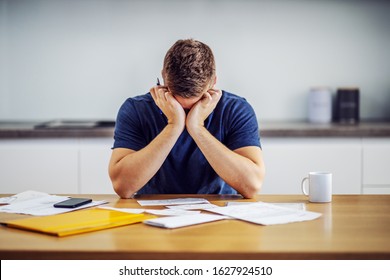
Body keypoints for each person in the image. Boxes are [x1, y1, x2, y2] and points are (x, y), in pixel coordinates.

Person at [109, 39, 265, 198]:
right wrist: (174, 125)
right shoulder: (136, 109)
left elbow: (252, 185)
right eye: (177, 102)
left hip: (218, 211)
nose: (186, 111)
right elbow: (123, 186)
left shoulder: (235, 109)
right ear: (163, 80)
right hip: (153, 214)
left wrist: (197, 128)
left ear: (213, 82)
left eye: (195, 104)